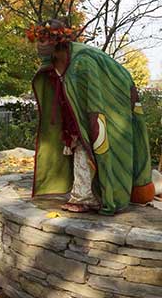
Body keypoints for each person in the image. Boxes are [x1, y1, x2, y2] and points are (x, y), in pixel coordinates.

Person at [28, 19, 154, 215]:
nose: (39, 45)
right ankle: (88, 194)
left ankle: (87, 197)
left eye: (43, 40)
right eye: (38, 40)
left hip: (110, 105)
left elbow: (94, 96)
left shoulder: (82, 62)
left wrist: (90, 123)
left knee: (94, 148)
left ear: (58, 40)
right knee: (81, 149)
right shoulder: (54, 62)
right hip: (74, 117)